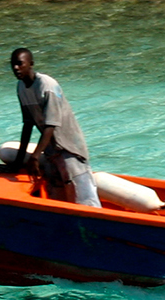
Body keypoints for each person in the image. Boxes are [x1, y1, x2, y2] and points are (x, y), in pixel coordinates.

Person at [6, 48, 100, 207]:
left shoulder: (47, 86)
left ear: (31, 64)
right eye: (13, 64)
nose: (16, 68)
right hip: (51, 150)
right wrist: (19, 160)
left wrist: (35, 156)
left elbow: (51, 125)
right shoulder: (21, 87)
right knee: (56, 194)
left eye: (20, 64)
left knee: (83, 198)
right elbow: (28, 123)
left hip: (69, 147)